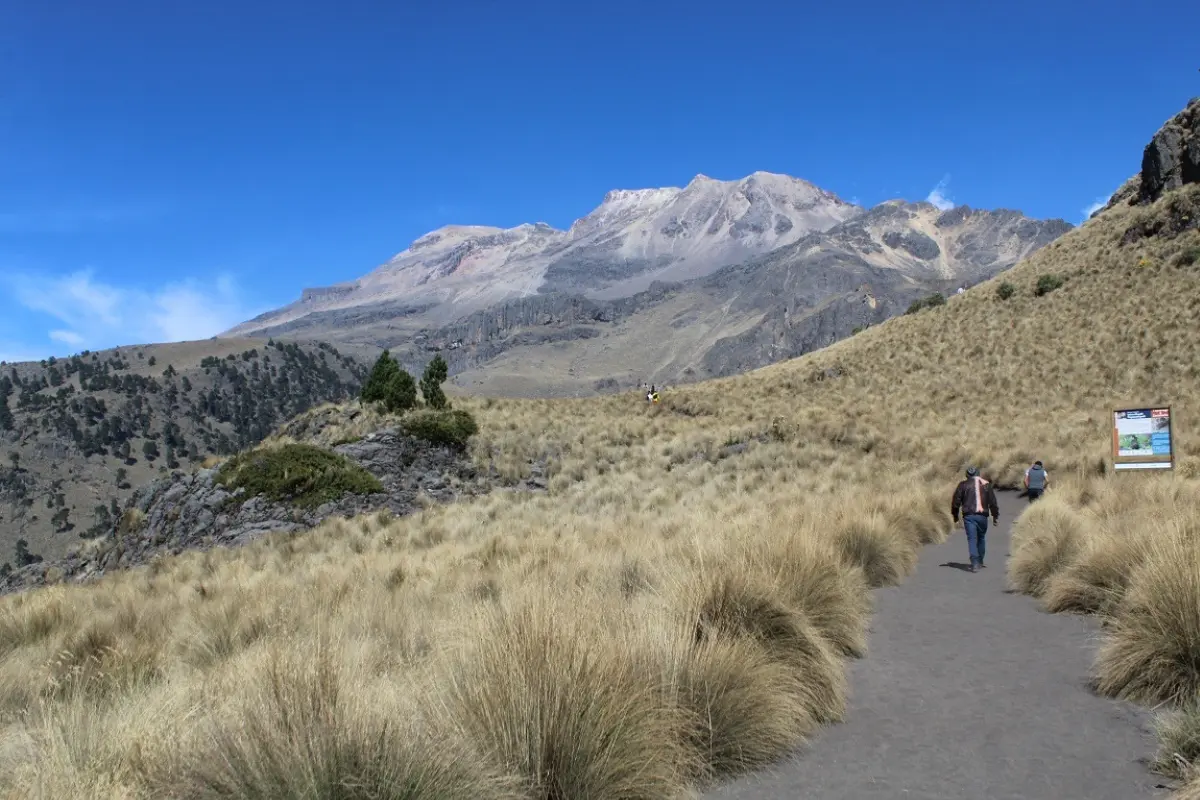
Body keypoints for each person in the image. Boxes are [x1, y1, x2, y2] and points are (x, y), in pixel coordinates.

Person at [951, 467, 1000, 573]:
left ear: (967, 475)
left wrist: (955, 516)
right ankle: (980, 560)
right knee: (981, 538)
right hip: (982, 516)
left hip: (969, 516)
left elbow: (956, 502)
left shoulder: (963, 485)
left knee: (972, 539)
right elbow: (993, 502)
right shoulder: (987, 485)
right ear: (978, 474)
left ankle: (975, 563)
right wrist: (995, 516)